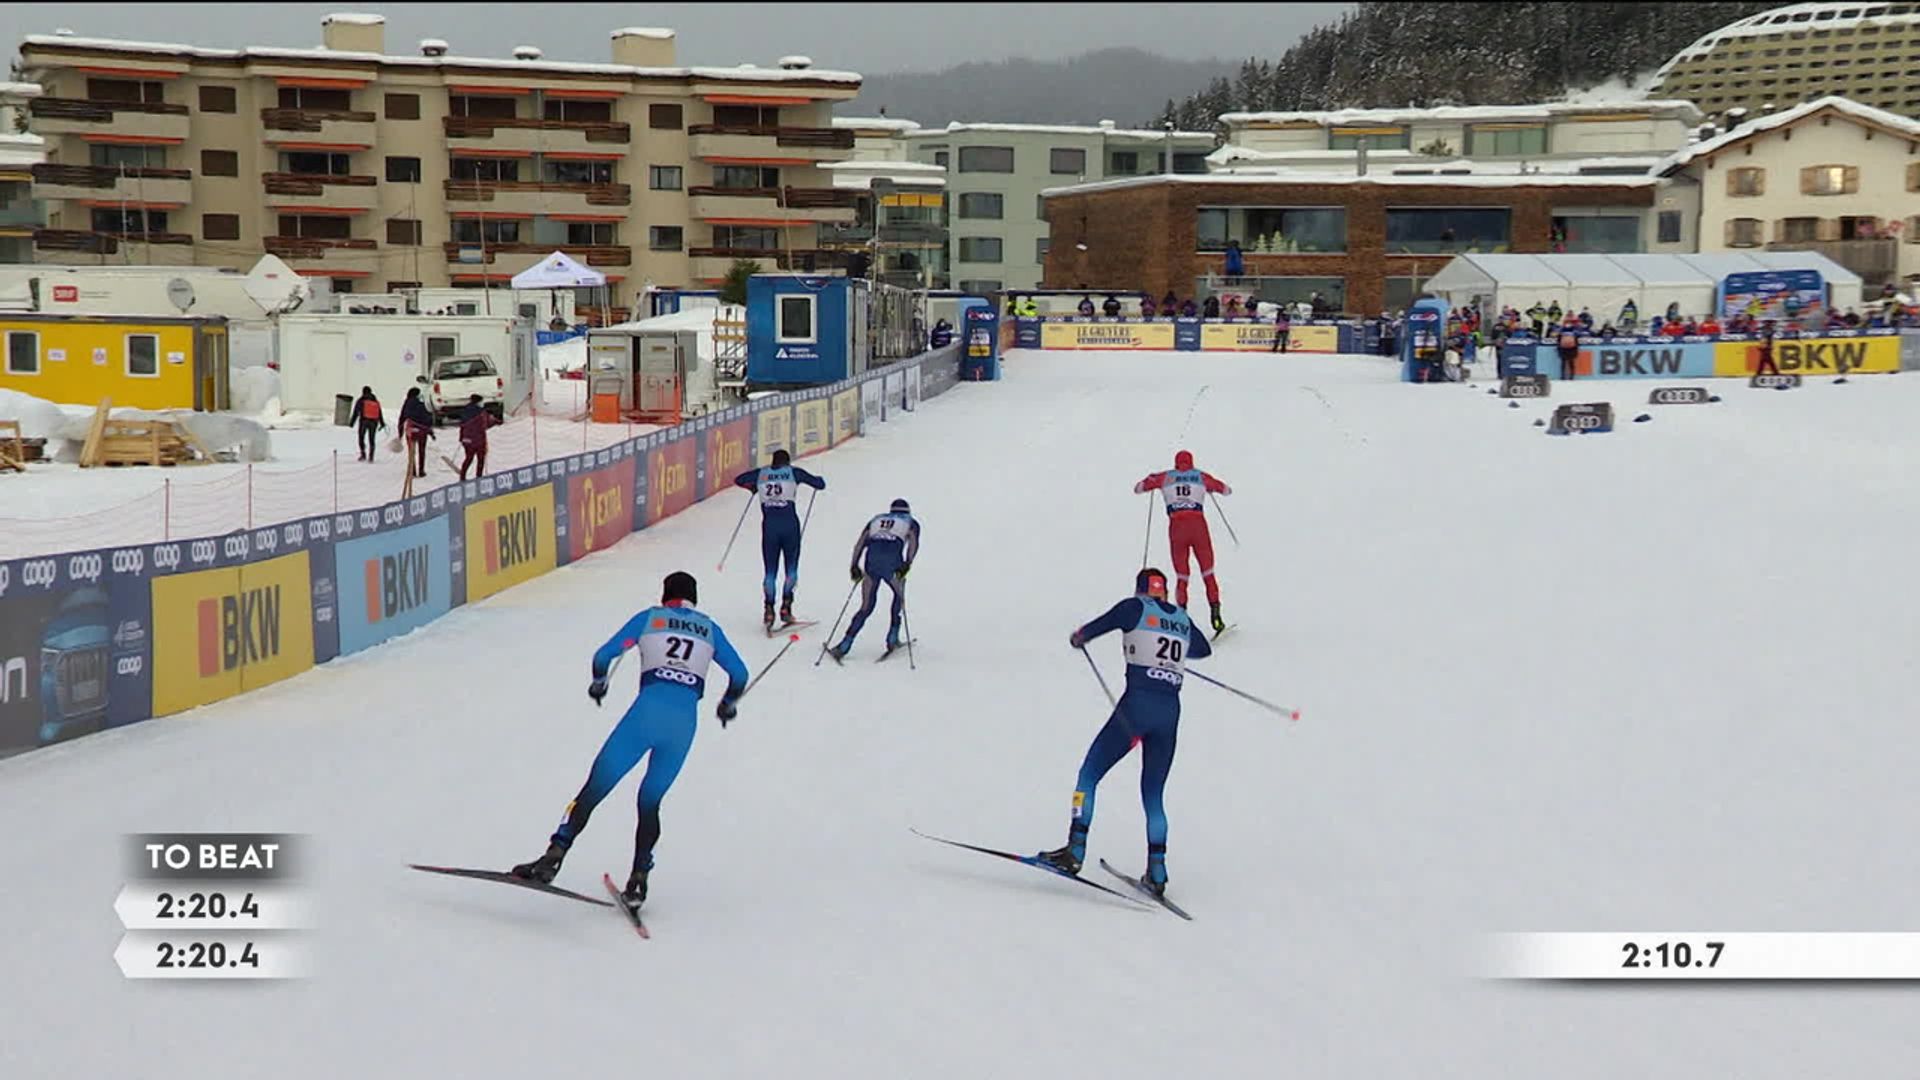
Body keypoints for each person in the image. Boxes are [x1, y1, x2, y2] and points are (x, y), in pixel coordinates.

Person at [510, 571, 749, 908]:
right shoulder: (709, 629)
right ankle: (639, 879)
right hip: (683, 726)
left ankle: (554, 855)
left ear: (665, 596)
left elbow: (602, 656)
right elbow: (739, 675)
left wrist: (599, 683)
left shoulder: (650, 619)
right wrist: (727, 704)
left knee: (594, 788)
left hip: (644, 717)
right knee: (650, 801)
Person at [1035, 567, 1212, 897]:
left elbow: (1095, 628)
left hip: (1136, 708)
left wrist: (1079, 637)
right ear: (1165, 591)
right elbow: (1202, 649)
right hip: (1169, 714)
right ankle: (1157, 872)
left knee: (1089, 774)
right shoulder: (1182, 618)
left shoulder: (1134, 607)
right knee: (1153, 794)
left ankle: (1074, 850)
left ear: (1140, 589)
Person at [1134, 450, 1231, 634]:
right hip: (1198, 526)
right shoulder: (1199, 476)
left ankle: (1181, 619)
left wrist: (1150, 481)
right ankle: (1216, 616)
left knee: (1182, 576)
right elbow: (1225, 490)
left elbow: (1139, 488)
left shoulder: (1166, 477)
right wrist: (1211, 488)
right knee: (1208, 573)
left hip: (1177, 527)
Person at [733, 448, 827, 629]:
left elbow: (739, 480)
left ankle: (769, 609)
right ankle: (786, 607)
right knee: (791, 568)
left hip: (769, 528)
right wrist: (819, 479)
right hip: (790, 526)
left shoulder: (762, 473)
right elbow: (819, 484)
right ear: (787, 462)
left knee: (770, 571)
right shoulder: (793, 472)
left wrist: (753, 487)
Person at [829, 498, 920, 660]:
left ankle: (844, 645)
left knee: (866, 606)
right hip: (892, 564)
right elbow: (913, 543)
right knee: (898, 597)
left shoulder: (876, 519)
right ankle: (892, 638)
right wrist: (907, 564)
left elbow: (860, 543)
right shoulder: (910, 522)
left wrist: (854, 565)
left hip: (871, 563)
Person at [457, 393, 500, 480]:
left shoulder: (465, 410)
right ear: (478, 402)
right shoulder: (481, 413)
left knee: (469, 458)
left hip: (467, 439)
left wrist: (461, 438)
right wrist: (496, 421)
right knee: (480, 459)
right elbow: (486, 424)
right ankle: (479, 478)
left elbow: (462, 425)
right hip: (478, 440)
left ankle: (462, 476)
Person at [399, 387, 435, 478]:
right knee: (422, 451)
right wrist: (430, 432)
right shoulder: (421, 405)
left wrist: (400, 433)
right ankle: (421, 470)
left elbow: (402, 418)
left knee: (411, 452)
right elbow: (427, 419)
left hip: (410, 430)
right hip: (421, 431)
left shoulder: (406, 404)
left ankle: (413, 470)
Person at [350, 386, 385, 462]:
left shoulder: (361, 400)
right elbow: (379, 413)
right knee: (372, 439)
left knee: (361, 437)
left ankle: (363, 454)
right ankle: (371, 457)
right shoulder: (375, 400)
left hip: (364, 421)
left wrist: (352, 423)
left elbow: (356, 412)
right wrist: (382, 423)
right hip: (374, 422)